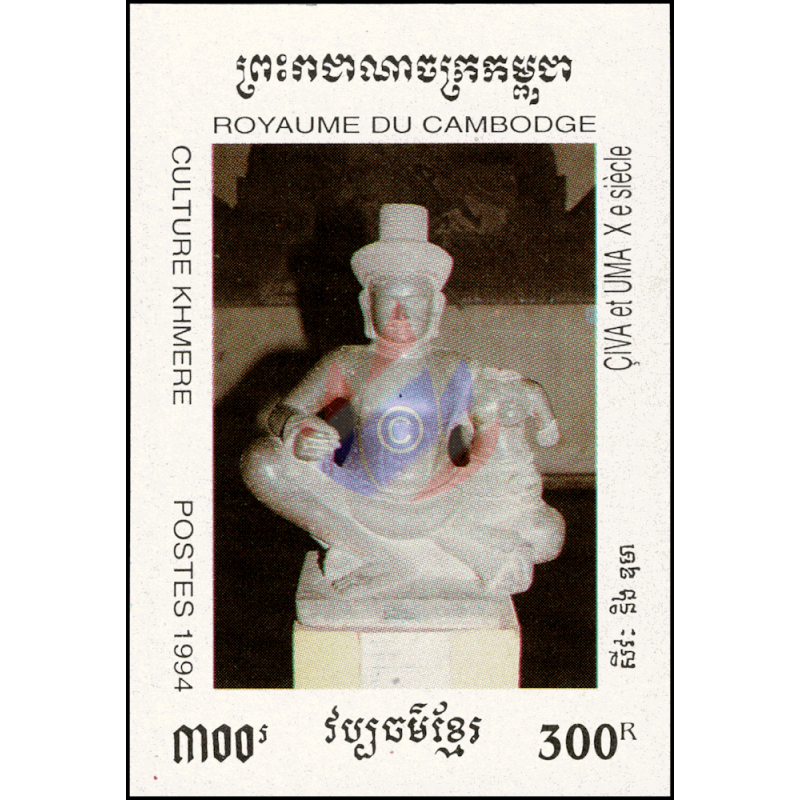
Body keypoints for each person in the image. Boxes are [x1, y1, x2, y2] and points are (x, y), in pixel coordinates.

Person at [241, 204, 564, 603]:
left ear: (436, 308)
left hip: (441, 506)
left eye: (414, 301)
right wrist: (299, 429)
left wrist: (516, 408)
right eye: (388, 299)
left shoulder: (457, 367)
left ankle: (423, 552)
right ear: (366, 305)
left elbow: (508, 400)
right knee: (261, 463)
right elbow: (282, 412)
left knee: (547, 535)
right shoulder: (346, 361)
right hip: (357, 498)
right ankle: (383, 558)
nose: (399, 313)